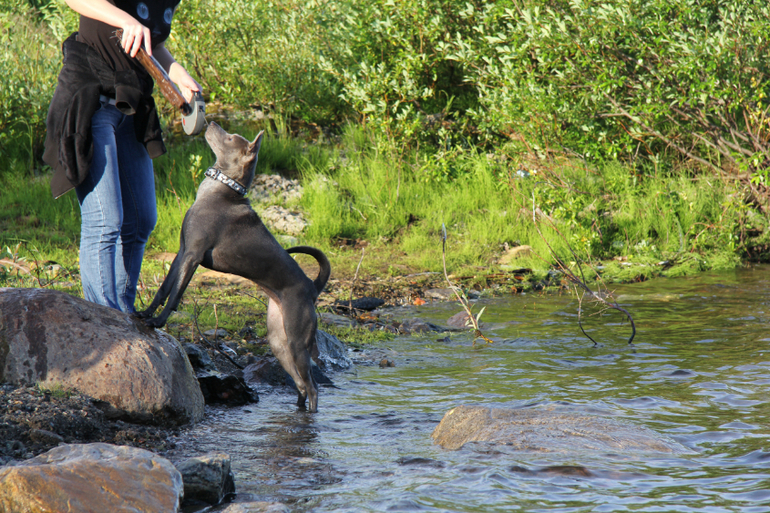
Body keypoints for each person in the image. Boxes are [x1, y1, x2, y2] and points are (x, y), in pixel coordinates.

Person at [43, 0, 200, 313]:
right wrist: (124, 19)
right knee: (105, 221)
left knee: (141, 218)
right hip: (91, 97)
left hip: (131, 105)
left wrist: (174, 70)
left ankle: (122, 315)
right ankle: (105, 321)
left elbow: (149, 40)